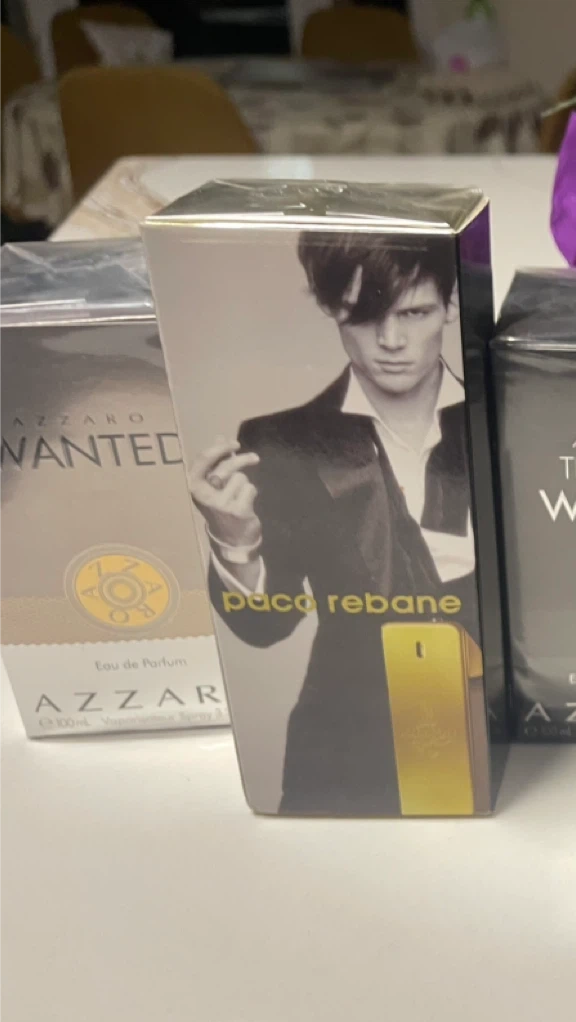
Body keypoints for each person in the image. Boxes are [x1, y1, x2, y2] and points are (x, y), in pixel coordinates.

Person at [188, 230, 478, 815]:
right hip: (351, 748)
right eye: (363, 315)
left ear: (450, 306)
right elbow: (265, 629)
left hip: (491, 727)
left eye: (414, 313)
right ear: (330, 309)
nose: (390, 341)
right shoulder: (281, 441)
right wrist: (235, 539)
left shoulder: (506, 414)